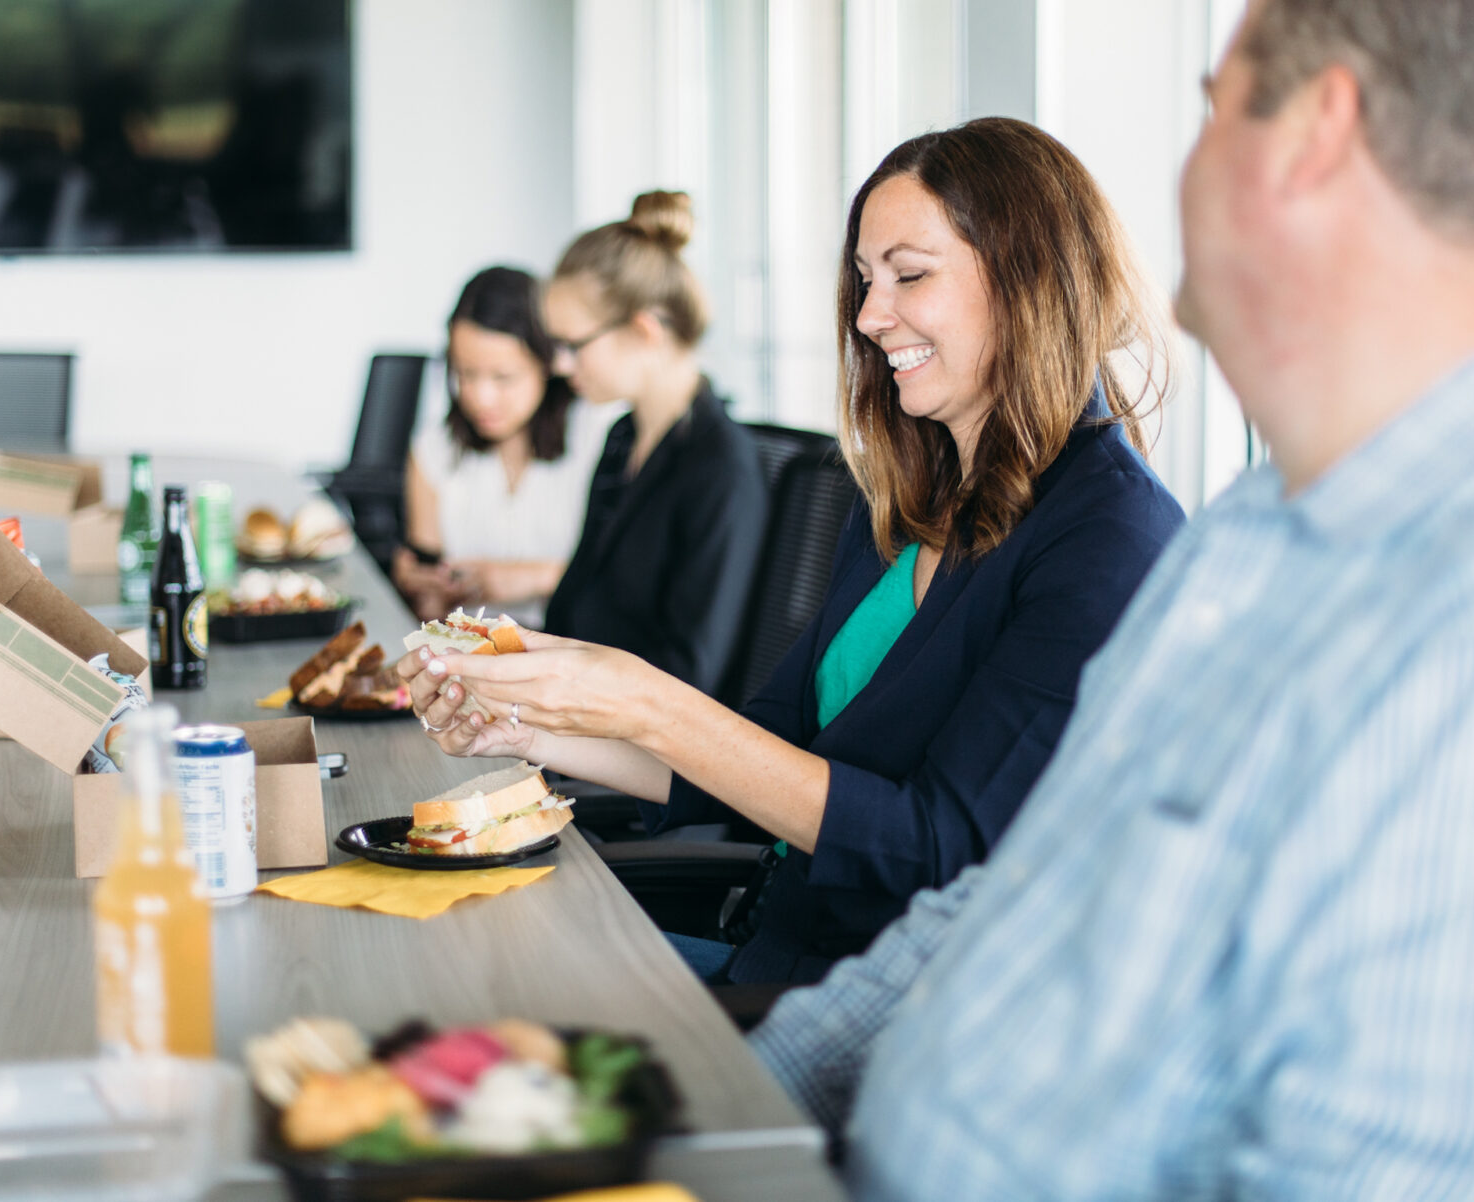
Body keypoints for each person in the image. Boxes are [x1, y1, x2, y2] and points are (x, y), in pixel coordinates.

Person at [731, 0, 1474, 1197]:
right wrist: (738, 1105)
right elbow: (1010, 900)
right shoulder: (1260, 532)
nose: (1176, 177)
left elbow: (1389, 1169)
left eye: (1212, 114)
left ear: (1316, 135)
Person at [400, 121, 1185, 986]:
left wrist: (647, 701)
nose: (869, 316)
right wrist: (534, 724)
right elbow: (769, 744)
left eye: (909, 275)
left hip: (870, 1015)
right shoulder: (907, 497)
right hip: (775, 951)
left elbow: (940, 845)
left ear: (1031, 280)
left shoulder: (1110, 539)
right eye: (862, 280)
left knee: (468, 986)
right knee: (443, 961)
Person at [533, 190, 767, 694]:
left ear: (643, 330)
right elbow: (573, 606)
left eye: (573, 345)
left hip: (642, 746)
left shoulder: (721, 467)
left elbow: (691, 672)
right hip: (578, 715)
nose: (560, 365)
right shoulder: (624, 437)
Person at [393, 266, 613, 628]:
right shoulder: (435, 449)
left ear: (548, 363)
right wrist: (421, 590)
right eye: (465, 374)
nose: (480, 398)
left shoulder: (598, 435)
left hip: (574, 649)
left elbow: (627, 583)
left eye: (503, 377)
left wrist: (535, 577)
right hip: (471, 655)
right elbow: (430, 608)